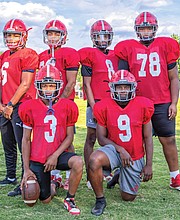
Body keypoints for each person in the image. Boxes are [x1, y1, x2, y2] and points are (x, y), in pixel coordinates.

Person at [113, 11, 180, 193]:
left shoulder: (165, 45)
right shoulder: (128, 48)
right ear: (137, 30)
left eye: (149, 28)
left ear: (154, 29)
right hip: (137, 102)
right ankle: (124, 173)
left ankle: (175, 178)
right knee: (133, 141)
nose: (146, 31)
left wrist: (174, 103)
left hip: (162, 101)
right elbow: (123, 79)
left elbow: (174, 78)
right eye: (143, 28)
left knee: (169, 140)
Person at [88, 70, 154, 216]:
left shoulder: (143, 105)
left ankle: (118, 175)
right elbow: (101, 138)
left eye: (126, 86)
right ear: (112, 87)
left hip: (134, 155)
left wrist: (149, 164)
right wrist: (120, 149)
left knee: (128, 197)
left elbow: (148, 137)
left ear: (133, 87)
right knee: (94, 159)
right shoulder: (103, 106)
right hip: (114, 150)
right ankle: (100, 199)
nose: (123, 90)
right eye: (119, 87)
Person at [19, 64, 83, 215]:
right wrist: (26, 169)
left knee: (78, 162)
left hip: (59, 155)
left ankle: (70, 199)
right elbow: (26, 140)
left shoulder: (68, 106)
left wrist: (55, 155)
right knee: (44, 199)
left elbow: (69, 137)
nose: (48, 89)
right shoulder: (29, 107)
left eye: (51, 85)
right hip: (38, 157)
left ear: (58, 86)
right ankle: (53, 185)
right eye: (45, 85)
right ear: (38, 87)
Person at [39, 19, 80, 190]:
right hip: (46, 103)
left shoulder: (69, 53)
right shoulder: (42, 55)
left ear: (64, 36)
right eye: (50, 33)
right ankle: (54, 175)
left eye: (57, 33)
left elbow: (70, 82)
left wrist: (59, 103)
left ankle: (70, 175)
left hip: (63, 102)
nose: (53, 36)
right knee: (51, 139)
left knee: (67, 140)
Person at [0, 19, 39, 196]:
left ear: (24, 36)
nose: (12, 38)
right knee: (7, 142)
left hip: (20, 105)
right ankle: (10, 176)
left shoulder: (28, 54)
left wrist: (10, 105)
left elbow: (25, 84)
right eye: (9, 35)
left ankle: (26, 177)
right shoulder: (4, 56)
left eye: (15, 34)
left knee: (23, 143)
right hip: (5, 106)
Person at [78, 20, 119, 188]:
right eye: (98, 36)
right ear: (92, 38)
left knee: (112, 137)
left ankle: (107, 172)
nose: (102, 39)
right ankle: (90, 174)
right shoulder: (89, 54)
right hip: (97, 102)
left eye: (105, 36)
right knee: (92, 137)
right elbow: (86, 84)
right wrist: (94, 106)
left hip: (114, 102)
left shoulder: (117, 55)